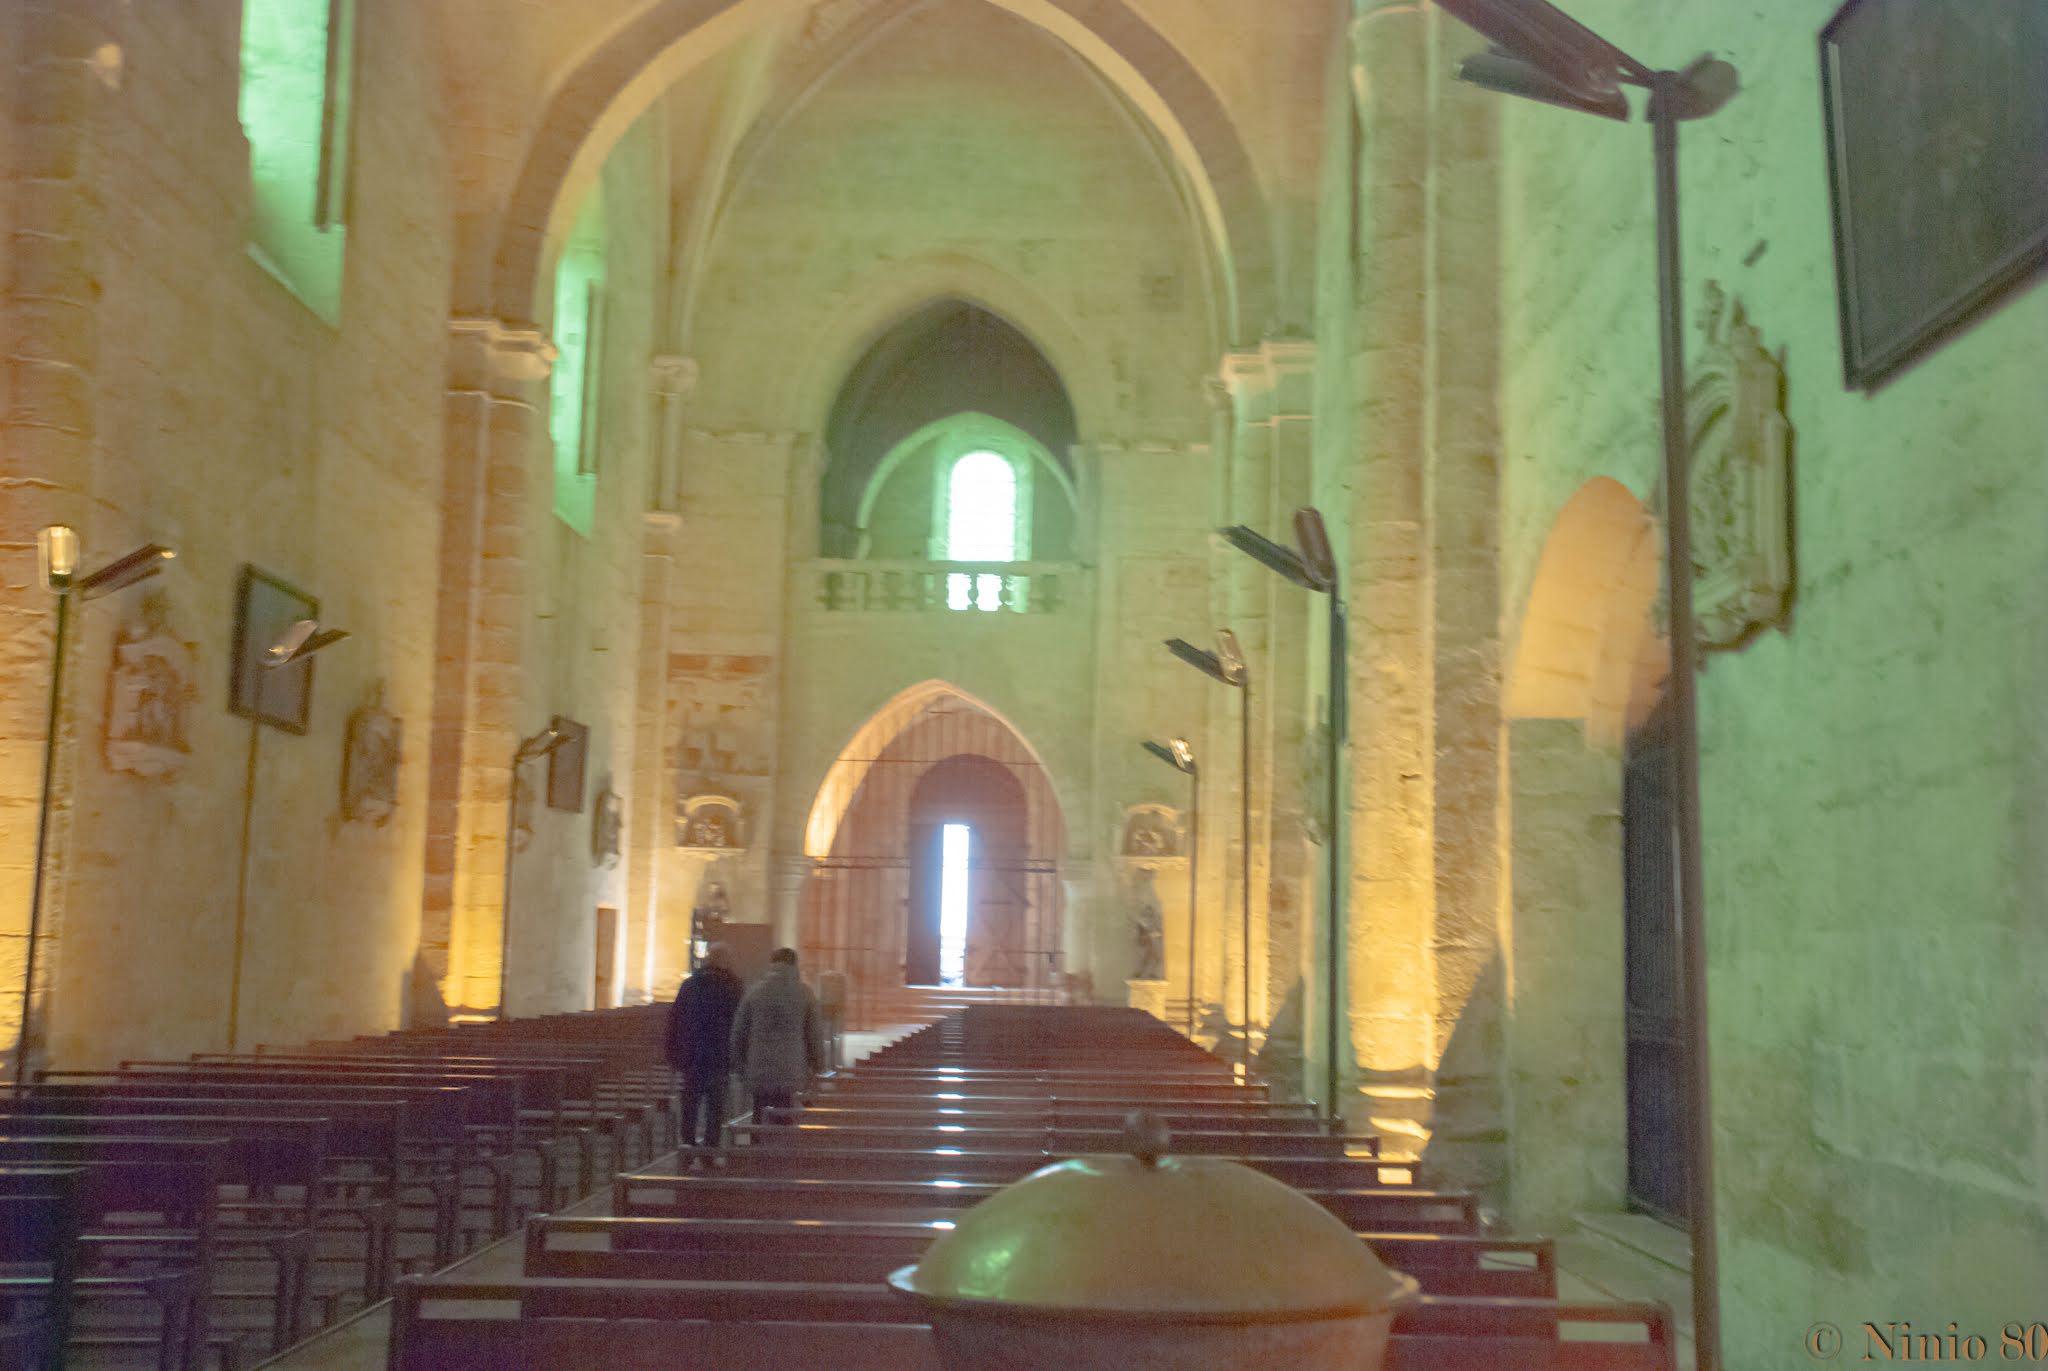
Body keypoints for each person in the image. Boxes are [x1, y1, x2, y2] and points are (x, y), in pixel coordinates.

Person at [729, 946, 826, 1122]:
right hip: (791, 1068)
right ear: (795, 965)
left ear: (772, 964)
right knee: (785, 1116)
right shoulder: (804, 993)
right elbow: (814, 1034)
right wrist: (818, 1065)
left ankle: (758, 1138)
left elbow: (739, 1032)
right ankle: (782, 1138)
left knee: (760, 1114)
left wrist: (740, 1066)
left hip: (759, 1067)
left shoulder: (755, 992)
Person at [666, 943, 743, 1150]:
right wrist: (738, 1055)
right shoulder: (734, 986)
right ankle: (711, 1147)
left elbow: (675, 1020)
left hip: (692, 1052)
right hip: (720, 1054)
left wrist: (672, 1052)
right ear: (726, 961)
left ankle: (687, 1145)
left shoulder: (690, 985)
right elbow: (739, 1025)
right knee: (715, 1106)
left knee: (690, 1103)